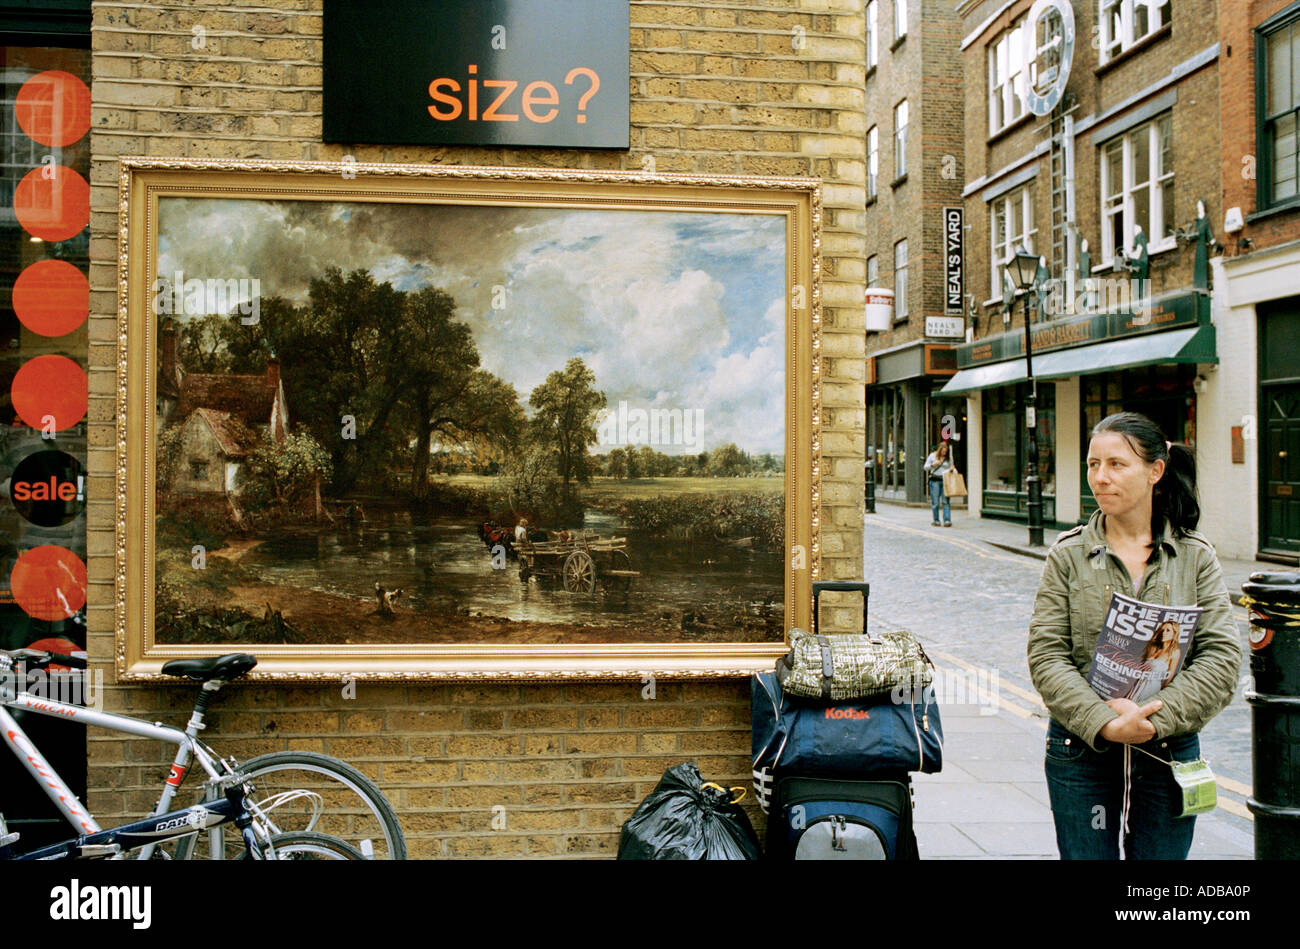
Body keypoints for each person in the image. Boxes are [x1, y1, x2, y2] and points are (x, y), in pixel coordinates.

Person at [1028, 412, 1241, 860]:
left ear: (1155, 471)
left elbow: (1220, 657)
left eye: (1116, 464)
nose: (1100, 478)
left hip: (1169, 749)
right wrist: (1106, 723)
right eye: (1092, 464)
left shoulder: (1194, 557)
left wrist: (1149, 721)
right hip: (1080, 752)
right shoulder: (1068, 556)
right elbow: (1047, 655)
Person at [1126, 620, 1183, 704]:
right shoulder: (1153, 648)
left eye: (1168, 630)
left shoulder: (1175, 652)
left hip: (1152, 688)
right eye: (1162, 630)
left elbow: (1169, 677)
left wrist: (1163, 696)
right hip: (1139, 685)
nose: (1164, 633)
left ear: (1174, 633)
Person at [923, 441, 953, 527]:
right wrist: (933, 464)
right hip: (935, 480)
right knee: (935, 502)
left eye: (946, 451)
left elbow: (951, 467)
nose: (944, 453)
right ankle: (936, 520)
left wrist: (951, 469)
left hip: (945, 481)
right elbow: (925, 467)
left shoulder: (949, 458)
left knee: (945, 502)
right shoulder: (932, 456)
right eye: (943, 451)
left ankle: (947, 520)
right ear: (940, 450)